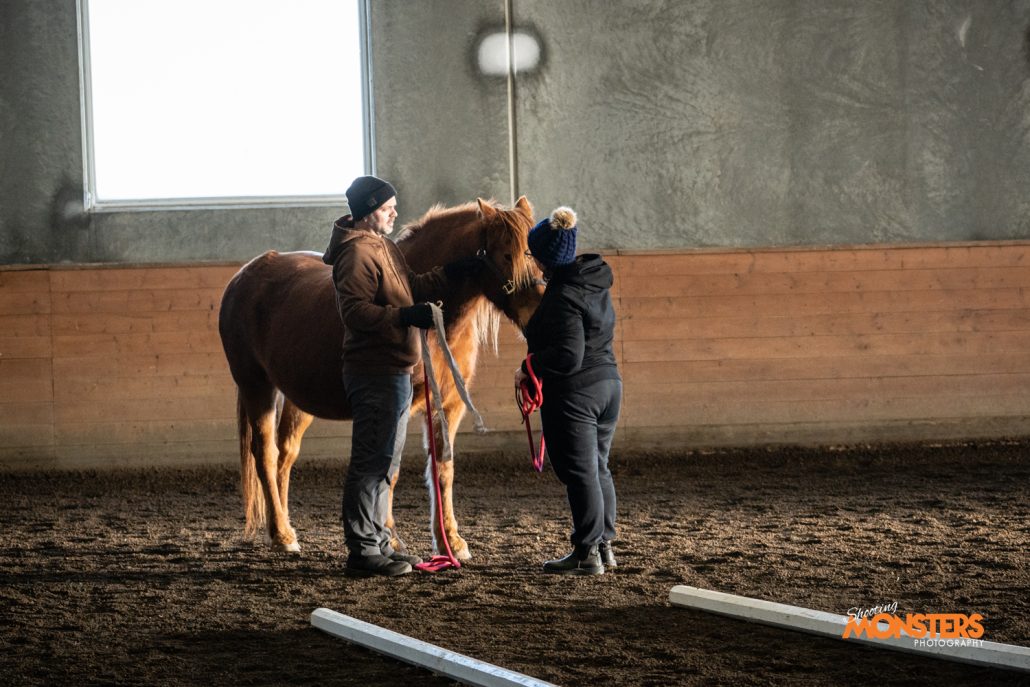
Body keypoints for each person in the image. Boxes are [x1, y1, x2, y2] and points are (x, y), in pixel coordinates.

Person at [323, 175, 479, 577]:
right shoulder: (355, 254)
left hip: (395, 370)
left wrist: (454, 272)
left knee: (385, 461)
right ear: (370, 210)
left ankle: (377, 543)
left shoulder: (383, 247)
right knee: (371, 462)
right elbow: (354, 312)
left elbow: (413, 285)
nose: (395, 211)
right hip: (373, 369)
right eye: (388, 206)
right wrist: (405, 316)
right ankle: (362, 550)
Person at [515, 206, 623, 575]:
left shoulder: (562, 297)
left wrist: (529, 367)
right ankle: (604, 546)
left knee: (580, 472)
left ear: (544, 258)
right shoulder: (591, 282)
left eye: (533, 254)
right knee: (597, 466)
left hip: (576, 393)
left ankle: (587, 551)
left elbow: (567, 354)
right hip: (609, 384)